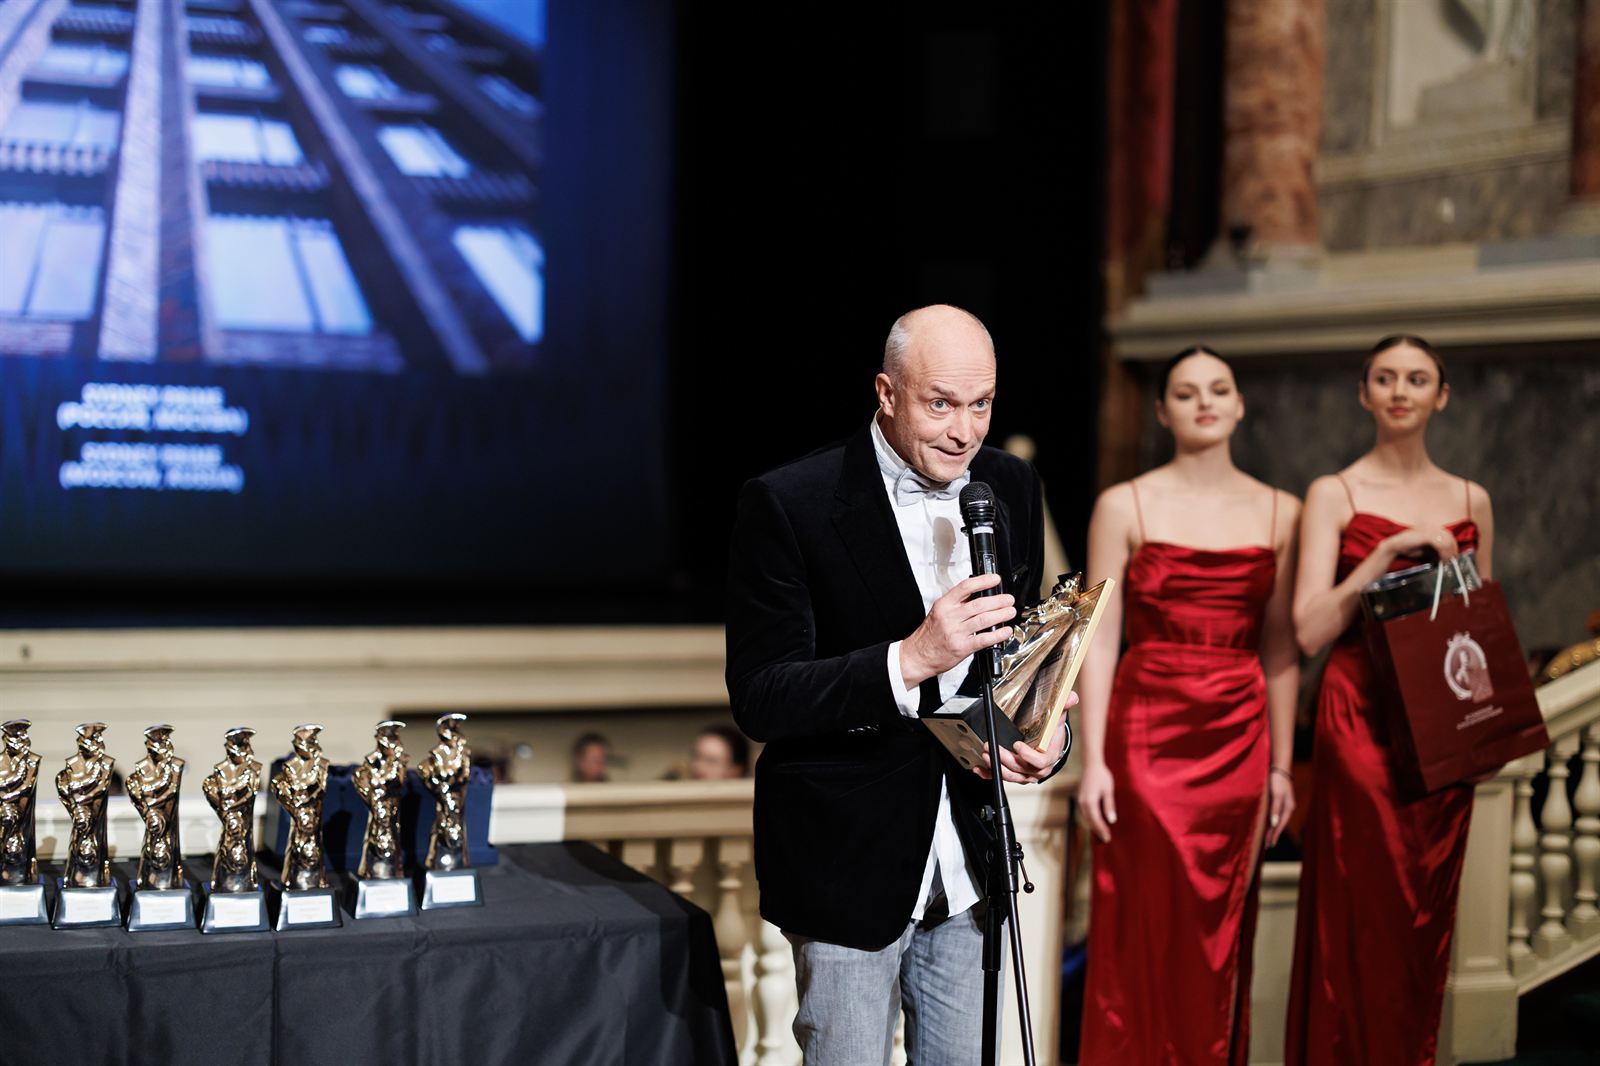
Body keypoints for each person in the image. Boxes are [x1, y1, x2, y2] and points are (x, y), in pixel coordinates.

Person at [726, 304, 1071, 1065]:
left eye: (981, 404)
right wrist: (910, 658)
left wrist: (1044, 732)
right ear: (886, 393)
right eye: (940, 403)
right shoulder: (790, 501)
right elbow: (761, 695)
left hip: (972, 861)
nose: (964, 431)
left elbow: (1017, 658)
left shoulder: (1011, 485)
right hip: (847, 866)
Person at [1076, 346, 1300, 1064]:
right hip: (1145, 734)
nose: (1204, 401)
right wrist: (1094, 761)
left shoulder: (1284, 512)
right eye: (1186, 391)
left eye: (1219, 388)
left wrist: (1282, 766)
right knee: (1141, 924)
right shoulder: (1124, 504)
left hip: (1240, 737)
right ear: (1161, 411)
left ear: (1239, 405)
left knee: (1219, 927)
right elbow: (1098, 640)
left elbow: (1282, 648)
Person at [1284, 334, 1495, 1065]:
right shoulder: (1334, 493)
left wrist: (1483, 730)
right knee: (1358, 908)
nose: (1400, 390)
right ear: (1364, 393)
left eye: (1417, 378)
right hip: (1358, 715)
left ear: (1442, 396)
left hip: (1439, 719)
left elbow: (1478, 628)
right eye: (1385, 377)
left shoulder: (1472, 499)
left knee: (1423, 919)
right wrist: (1381, 556)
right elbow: (1308, 629)